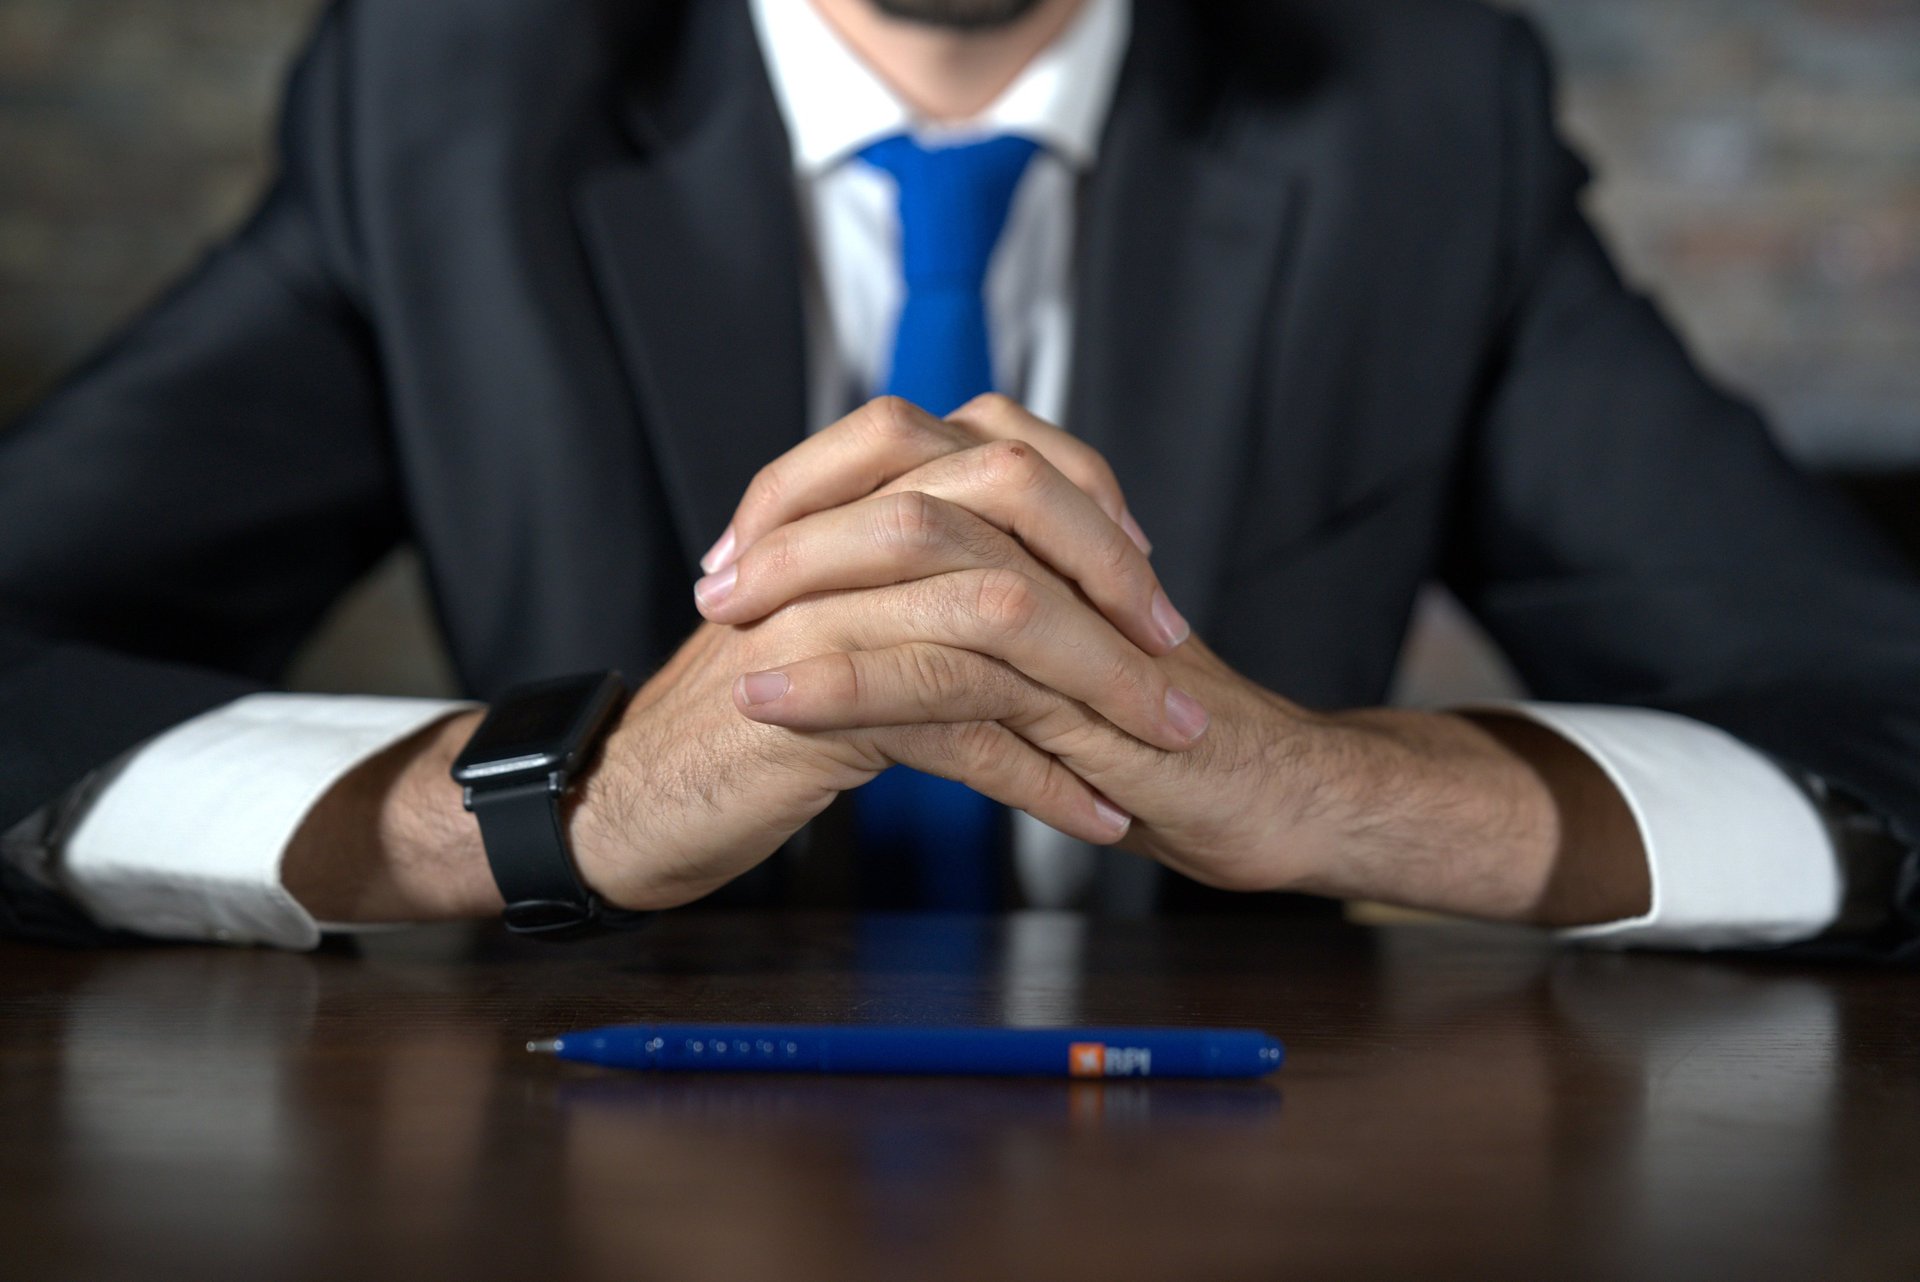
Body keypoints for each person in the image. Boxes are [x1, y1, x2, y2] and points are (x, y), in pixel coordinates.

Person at [2, 0, 1915, 955]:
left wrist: (1342, 791)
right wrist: (543, 812)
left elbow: (1878, 719)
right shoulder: (441, 97)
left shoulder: (1422, 110)